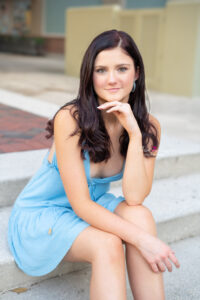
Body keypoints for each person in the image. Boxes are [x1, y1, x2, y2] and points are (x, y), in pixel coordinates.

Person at [7, 29, 180, 300]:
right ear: (90, 75)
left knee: (140, 215)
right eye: (101, 70)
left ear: (136, 73)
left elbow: (134, 197)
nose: (111, 79)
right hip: (45, 213)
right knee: (108, 244)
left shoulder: (149, 127)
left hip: (93, 206)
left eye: (121, 68)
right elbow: (81, 205)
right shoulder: (70, 118)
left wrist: (135, 135)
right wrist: (142, 240)